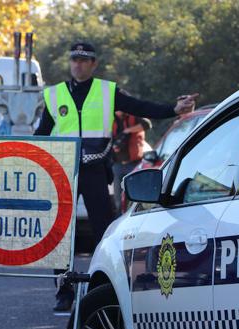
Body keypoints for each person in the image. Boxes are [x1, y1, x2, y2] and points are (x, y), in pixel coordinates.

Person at [35, 42, 197, 311]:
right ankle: (64, 291)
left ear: (94, 64)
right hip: (62, 171)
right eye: (74, 59)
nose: (78, 64)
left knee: (104, 230)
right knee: (60, 232)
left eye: (84, 60)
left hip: (95, 169)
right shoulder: (54, 94)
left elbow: (141, 106)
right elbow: (41, 135)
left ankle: (104, 288)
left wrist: (173, 109)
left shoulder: (107, 91)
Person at [111, 109, 152, 216]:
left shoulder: (134, 116)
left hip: (134, 164)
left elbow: (147, 124)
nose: (117, 111)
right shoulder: (110, 118)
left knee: (136, 195)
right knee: (118, 199)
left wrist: (128, 131)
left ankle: (137, 215)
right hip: (117, 164)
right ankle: (119, 218)